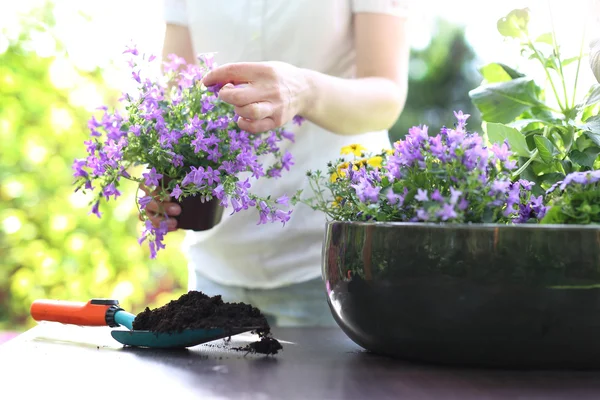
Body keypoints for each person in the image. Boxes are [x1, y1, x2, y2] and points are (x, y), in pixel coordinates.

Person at [144, 0, 412, 327]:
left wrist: (304, 91)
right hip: (217, 262)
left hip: (330, 266)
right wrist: (164, 173)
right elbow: (175, 93)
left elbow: (387, 96)